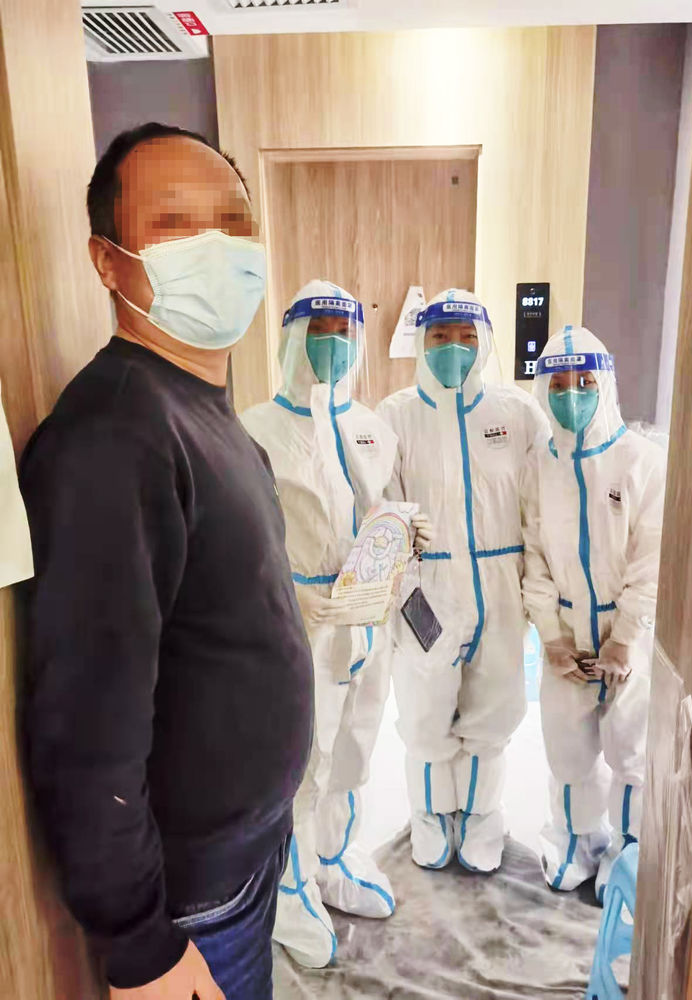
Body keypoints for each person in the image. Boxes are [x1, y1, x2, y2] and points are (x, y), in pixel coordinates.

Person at [19, 123, 314, 1000]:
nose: (216, 245)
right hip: (189, 905)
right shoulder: (115, 436)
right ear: (108, 263)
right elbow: (87, 721)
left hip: (244, 855)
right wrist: (140, 943)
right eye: (176, 225)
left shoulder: (201, 410)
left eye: (234, 221)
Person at [241, 280, 432, 968]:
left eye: (344, 330)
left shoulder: (373, 429)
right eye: (317, 327)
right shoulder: (255, 429)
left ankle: (334, 856)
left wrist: (407, 540)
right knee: (303, 757)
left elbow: (378, 510)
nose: (332, 342)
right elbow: (242, 538)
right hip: (300, 621)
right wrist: (286, 593)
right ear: (290, 336)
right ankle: (289, 882)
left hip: (366, 614)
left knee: (354, 744)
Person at [377, 288, 547, 873]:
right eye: (440, 337)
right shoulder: (395, 416)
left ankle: (480, 816)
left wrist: (535, 592)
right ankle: (429, 814)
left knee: (493, 707)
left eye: (467, 337)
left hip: (500, 585)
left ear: (486, 342)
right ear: (421, 343)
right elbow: (382, 509)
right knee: (425, 709)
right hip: (425, 586)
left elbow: (539, 504)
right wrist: (405, 590)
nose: (454, 348)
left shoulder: (516, 413)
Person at [521, 324, 666, 901]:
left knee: (630, 746)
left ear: (605, 384)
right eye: (558, 384)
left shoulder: (642, 461)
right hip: (567, 627)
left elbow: (651, 560)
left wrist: (624, 638)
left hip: (627, 630)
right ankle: (576, 840)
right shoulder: (540, 464)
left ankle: (628, 848)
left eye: (584, 381)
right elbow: (533, 554)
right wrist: (552, 637)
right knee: (567, 745)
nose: (572, 394)